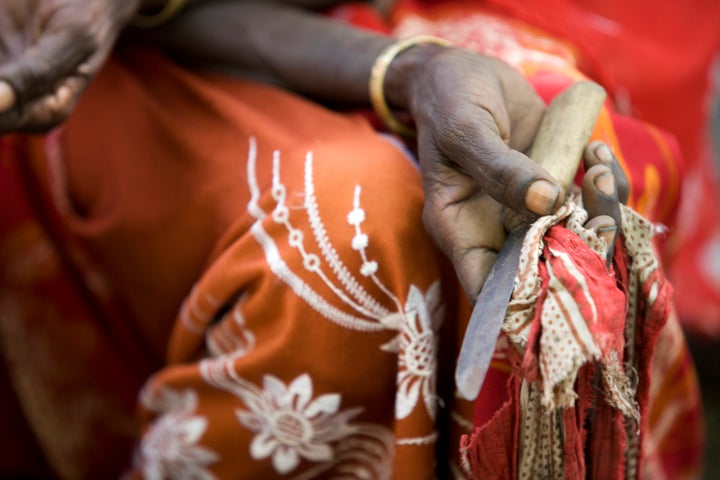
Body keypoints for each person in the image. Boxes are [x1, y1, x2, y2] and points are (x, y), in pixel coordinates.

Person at [0, 0, 706, 478]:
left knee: (571, 170)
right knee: (346, 243)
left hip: (471, 18)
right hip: (144, 42)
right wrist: (404, 70)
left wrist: (415, 67)